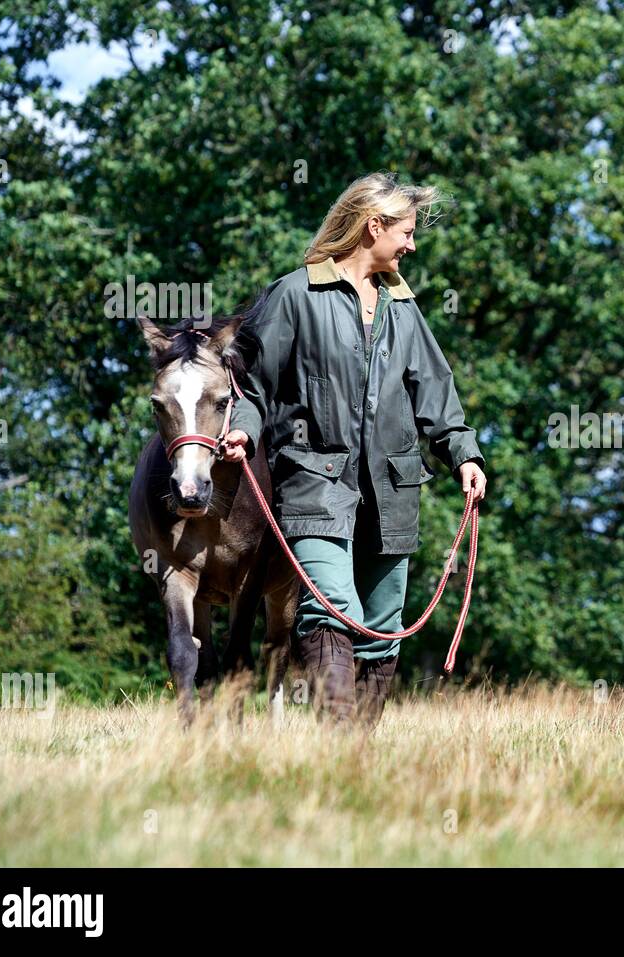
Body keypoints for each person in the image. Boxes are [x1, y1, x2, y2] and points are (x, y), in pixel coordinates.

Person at [220, 172, 487, 725]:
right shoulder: (296, 294)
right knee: (332, 607)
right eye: (407, 232)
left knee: (384, 625)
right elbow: (250, 381)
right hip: (314, 483)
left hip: (393, 489)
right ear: (374, 226)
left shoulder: (404, 308)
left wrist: (464, 454)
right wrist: (244, 427)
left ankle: (358, 762)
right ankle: (337, 743)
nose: (412, 245)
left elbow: (434, 391)